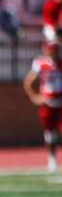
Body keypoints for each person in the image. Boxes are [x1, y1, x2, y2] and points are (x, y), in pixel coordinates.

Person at [23, 32, 62, 172]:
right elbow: (28, 82)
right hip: (48, 103)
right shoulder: (41, 63)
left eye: (56, 49)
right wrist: (35, 97)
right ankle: (52, 159)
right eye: (52, 49)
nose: (54, 52)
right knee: (50, 134)